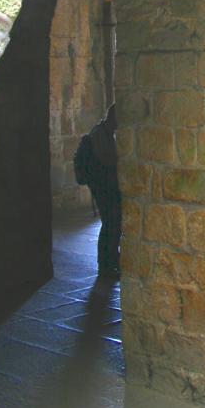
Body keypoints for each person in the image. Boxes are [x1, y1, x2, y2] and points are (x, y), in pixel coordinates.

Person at [87, 104, 121, 278]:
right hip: (104, 187)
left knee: (113, 224)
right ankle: (105, 264)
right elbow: (106, 160)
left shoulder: (106, 133)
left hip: (107, 186)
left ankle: (111, 262)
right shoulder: (100, 134)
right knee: (110, 224)